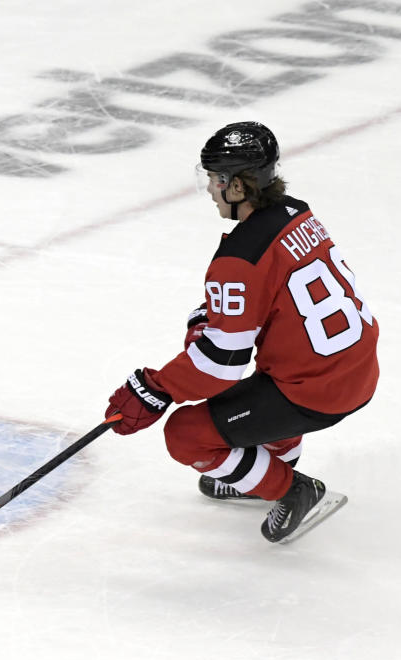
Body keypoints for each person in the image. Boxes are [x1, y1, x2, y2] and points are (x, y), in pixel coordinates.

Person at [104, 122, 378, 543]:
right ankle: (265, 468)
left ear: (237, 186)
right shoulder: (296, 211)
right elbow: (274, 303)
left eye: (216, 179)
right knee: (265, 386)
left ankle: (293, 488)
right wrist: (212, 321)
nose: (211, 189)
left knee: (185, 435)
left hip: (313, 391)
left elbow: (220, 368)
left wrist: (154, 390)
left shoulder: (239, 260)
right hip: (355, 370)